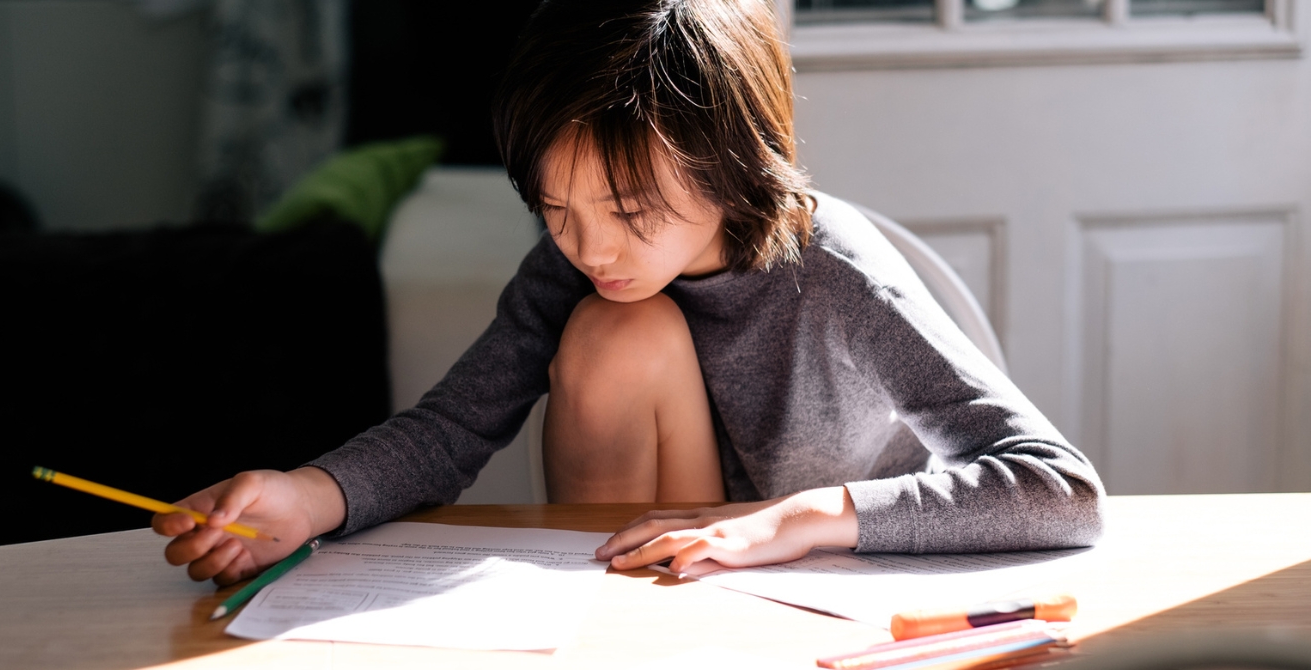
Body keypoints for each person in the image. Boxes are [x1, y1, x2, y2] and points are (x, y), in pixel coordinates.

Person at [154, 0, 1104, 585]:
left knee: (620, 325)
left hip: (820, 583)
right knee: (619, 329)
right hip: (653, 564)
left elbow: (1060, 491)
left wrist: (797, 519)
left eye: (630, 210)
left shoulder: (835, 270)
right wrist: (304, 496)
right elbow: (453, 427)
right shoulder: (575, 265)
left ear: (735, 166)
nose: (590, 248)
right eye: (555, 208)